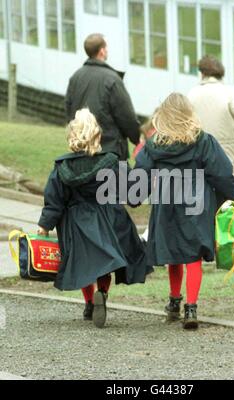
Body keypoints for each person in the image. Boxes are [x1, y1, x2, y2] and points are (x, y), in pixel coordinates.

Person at [135, 93, 234, 330]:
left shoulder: (153, 146)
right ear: (189, 114)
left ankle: (174, 302)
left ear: (163, 116)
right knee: (193, 254)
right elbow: (221, 172)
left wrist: (132, 196)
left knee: (173, 251)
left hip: (166, 203)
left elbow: (141, 175)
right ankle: (191, 307)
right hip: (196, 203)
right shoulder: (204, 141)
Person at [37, 109, 153, 328]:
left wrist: (44, 226)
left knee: (85, 264)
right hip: (109, 219)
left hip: (77, 224)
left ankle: (89, 302)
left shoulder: (62, 167)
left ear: (71, 137)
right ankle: (102, 292)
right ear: (97, 136)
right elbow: (132, 192)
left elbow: (54, 201)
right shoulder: (111, 162)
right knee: (104, 265)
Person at [188, 55, 234, 187]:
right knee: (229, 204)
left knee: (205, 204)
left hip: (198, 164)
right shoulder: (232, 94)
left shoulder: (190, 96)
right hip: (230, 164)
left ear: (202, 74)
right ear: (222, 74)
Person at [65, 33, 141, 161]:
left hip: (82, 149)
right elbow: (126, 116)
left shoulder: (76, 77)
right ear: (102, 51)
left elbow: (69, 110)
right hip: (109, 151)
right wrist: (137, 138)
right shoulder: (112, 79)